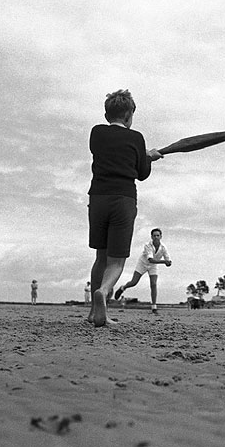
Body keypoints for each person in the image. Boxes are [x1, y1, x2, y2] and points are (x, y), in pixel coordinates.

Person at [87, 90, 163, 327]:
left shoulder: (96, 133)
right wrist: (148, 157)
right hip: (123, 199)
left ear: (106, 114)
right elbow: (141, 174)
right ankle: (104, 291)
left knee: (100, 256)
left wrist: (142, 154)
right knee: (116, 261)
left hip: (98, 198)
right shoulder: (137, 138)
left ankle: (93, 312)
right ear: (129, 116)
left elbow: (109, 153)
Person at [114, 228, 172, 314]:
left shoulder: (163, 248)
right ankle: (123, 287)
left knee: (153, 284)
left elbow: (168, 260)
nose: (156, 237)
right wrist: (164, 262)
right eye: (154, 235)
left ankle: (154, 307)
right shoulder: (147, 245)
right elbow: (151, 259)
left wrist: (168, 262)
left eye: (158, 235)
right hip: (143, 263)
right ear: (151, 237)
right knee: (134, 282)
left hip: (153, 266)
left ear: (161, 236)